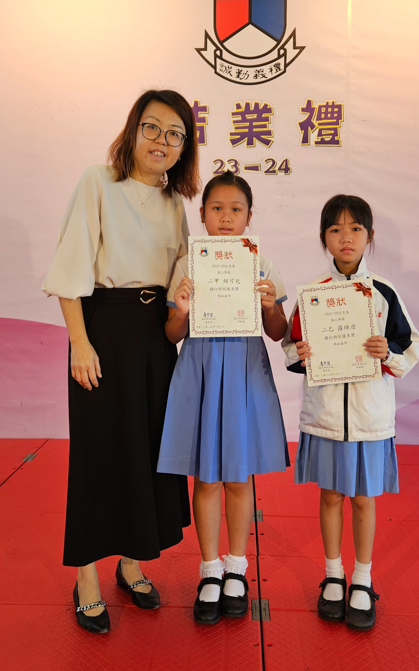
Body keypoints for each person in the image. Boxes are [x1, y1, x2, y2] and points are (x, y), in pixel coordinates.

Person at [41, 89, 200, 634]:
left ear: (184, 148)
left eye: (175, 134)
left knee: (148, 452)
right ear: (133, 130)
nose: (162, 141)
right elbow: (70, 268)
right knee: (98, 454)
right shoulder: (98, 182)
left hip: (157, 338)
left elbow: (184, 280)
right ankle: (86, 576)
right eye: (152, 128)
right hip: (103, 331)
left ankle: (131, 564)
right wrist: (79, 344)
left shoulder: (176, 204)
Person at [282, 194, 419, 631]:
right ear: (324, 238)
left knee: (363, 498)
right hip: (325, 417)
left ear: (370, 236)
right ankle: (333, 575)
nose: (346, 237)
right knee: (330, 496)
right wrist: (302, 353)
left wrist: (387, 352)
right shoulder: (313, 296)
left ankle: (362, 577)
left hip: (368, 419)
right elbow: (289, 348)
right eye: (336, 229)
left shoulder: (383, 293)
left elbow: (409, 346)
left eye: (355, 229)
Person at [158, 172, 290, 624]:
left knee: (238, 475)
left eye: (236, 209)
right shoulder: (188, 265)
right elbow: (172, 333)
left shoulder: (261, 265)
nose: (226, 217)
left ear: (249, 217)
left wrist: (270, 306)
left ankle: (237, 567)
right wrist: (181, 311)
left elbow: (278, 331)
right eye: (217, 208)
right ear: (202, 215)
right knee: (206, 477)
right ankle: (210, 569)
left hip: (244, 372)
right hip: (200, 370)